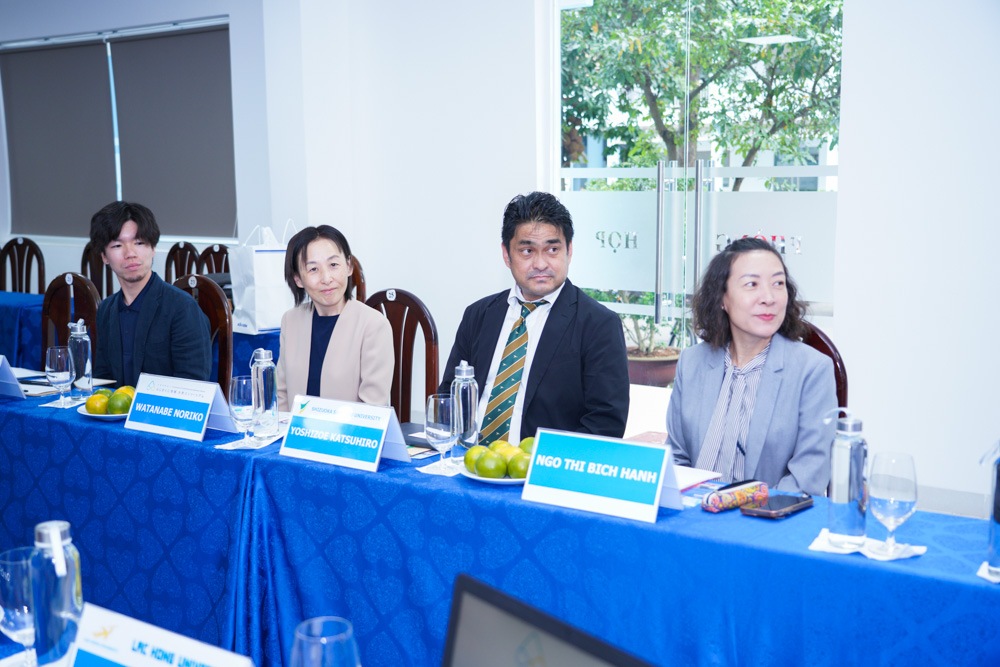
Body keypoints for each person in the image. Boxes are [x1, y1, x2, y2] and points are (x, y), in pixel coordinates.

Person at [439, 191, 629, 445]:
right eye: (527, 251)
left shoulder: (599, 324)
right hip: (469, 458)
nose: (540, 264)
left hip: (543, 464)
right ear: (506, 255)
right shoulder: (478, 315)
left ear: (569, 251)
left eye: (552, 249)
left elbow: (605, 424)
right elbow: (449, 399)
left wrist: (542, 460)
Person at [666, 237, 836, 495]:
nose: (768, 297)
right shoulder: (692, 363)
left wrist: (746, 511)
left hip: (767, 515)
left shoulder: (812, 370)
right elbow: (676, 457)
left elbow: (807, 478)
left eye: (778, 283)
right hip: (694, 511)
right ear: (722, 298)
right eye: (751, 284)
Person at [91, 201, 211, 387]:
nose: (130, 253)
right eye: (117, 245)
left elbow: (192, 385)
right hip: (118, 406)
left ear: (153, 248)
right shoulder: (106, 310)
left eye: (139, 243)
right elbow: (102, 379)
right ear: (104, 256)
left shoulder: (182, 308)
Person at [276, 225, 393, 411]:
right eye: (313, 269)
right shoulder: (291, 321)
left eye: (333, 265)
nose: (326, 278)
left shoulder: (373, 325)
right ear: (298, 279)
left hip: (350, 430)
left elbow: (372, 408)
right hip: (296, 429)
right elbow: (282, 395)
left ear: (348, 266)